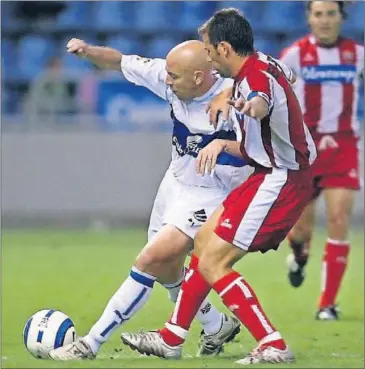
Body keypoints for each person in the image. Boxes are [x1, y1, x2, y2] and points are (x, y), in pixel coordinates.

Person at [120, 8, 317, 365]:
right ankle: (171, 337)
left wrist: (248, 105)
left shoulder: (252, 81)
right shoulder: (261, 63)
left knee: (214, 263)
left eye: (210, 51)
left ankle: (272, 343)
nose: (207, 60)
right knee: (205, 243)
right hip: (266, 173)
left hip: (281, 180)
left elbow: (261, 98)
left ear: (225, 49)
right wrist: (224, 133)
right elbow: (282, 76)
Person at [49, 38, 252, 360]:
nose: (167, 81)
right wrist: (88, 51)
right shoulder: (169, 77)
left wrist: (231, 99)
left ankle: (90, 343)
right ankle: (215, 326)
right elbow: (119, 60)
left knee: (148, 261)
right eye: (167, 75)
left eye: (175, 77)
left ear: (200, 77)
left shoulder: (239, 96)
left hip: (214, 195)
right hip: (175, 184)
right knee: (168, 270)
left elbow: (284, 80)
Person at [279, 0, 364, 320]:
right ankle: (299, 256)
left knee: (339, 217)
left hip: (343, 145)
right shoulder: (296, 55)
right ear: (309, 18)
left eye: (331, 14)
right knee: (301, 229)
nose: (325, 20)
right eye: (318, 14)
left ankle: (327, 304)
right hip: (305, 148)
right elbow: (273, 89)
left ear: (342, 18)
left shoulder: (356, 54)